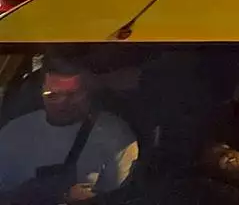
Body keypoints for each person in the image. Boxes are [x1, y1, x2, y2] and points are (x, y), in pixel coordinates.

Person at [0, 58, 138, 202]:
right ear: (41, 92)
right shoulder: (14, 132)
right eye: (52, 95)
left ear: (88, 92)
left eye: (72, 95)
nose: (62, 103)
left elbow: (122, 198)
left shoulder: (115, 135)